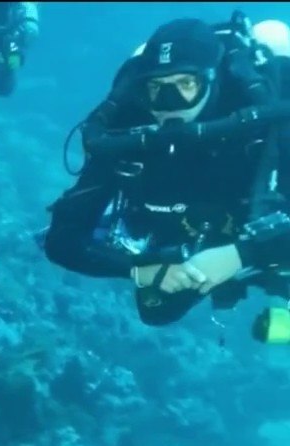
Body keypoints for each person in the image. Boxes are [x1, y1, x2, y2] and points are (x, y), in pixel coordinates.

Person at [41, 15, 290, 339]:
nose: (170, 106)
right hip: (198, 230)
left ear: (213, 81)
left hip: (268, 228)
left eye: (186, 85)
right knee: (156, 309)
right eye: (157, 89)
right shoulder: (127, 128)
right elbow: (61, 239)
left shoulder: (267, 126)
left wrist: (239, 256)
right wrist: (143, 270)